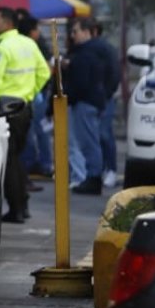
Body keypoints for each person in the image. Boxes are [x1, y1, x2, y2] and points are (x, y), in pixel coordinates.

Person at [0, 7, 50, 223]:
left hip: (5, 110)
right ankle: (22, 205)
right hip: (25, 107)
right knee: (17, 157)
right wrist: (29, 94)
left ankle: (16, 209)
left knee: (8, 160)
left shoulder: (1, 48)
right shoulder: (28, 43)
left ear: (7, 23)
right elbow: (44, 72)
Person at [68, 18, 111, 195]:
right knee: (90, 141)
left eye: (75, 31)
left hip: (86, 102)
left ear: (86, 32)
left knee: (89, 142)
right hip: (91, 100)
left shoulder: (87, 53)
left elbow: (81, 82)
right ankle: (92, 177)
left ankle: (93, 178)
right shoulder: (93, 50)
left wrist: (70, 96)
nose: (73, 35)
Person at [17, 13, 54, 186]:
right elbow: (47, 71)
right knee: (38, 131)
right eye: (37, 29)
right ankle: (41, 165)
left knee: (33, 132)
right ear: (32, 31)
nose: (39, 32)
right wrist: (36, 90)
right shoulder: (37, 45)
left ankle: (37, 165)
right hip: (36, 95)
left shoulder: (20, 45)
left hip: (26, 96)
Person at [92, 22, 121, 187]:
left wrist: (107, 93)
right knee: (97, 134)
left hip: (106, 97)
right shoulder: (92, 48)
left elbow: (114, 73)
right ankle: (104, 168)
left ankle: (111, 169)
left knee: (104, 133)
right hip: (96, 97)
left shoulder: (105, 49)